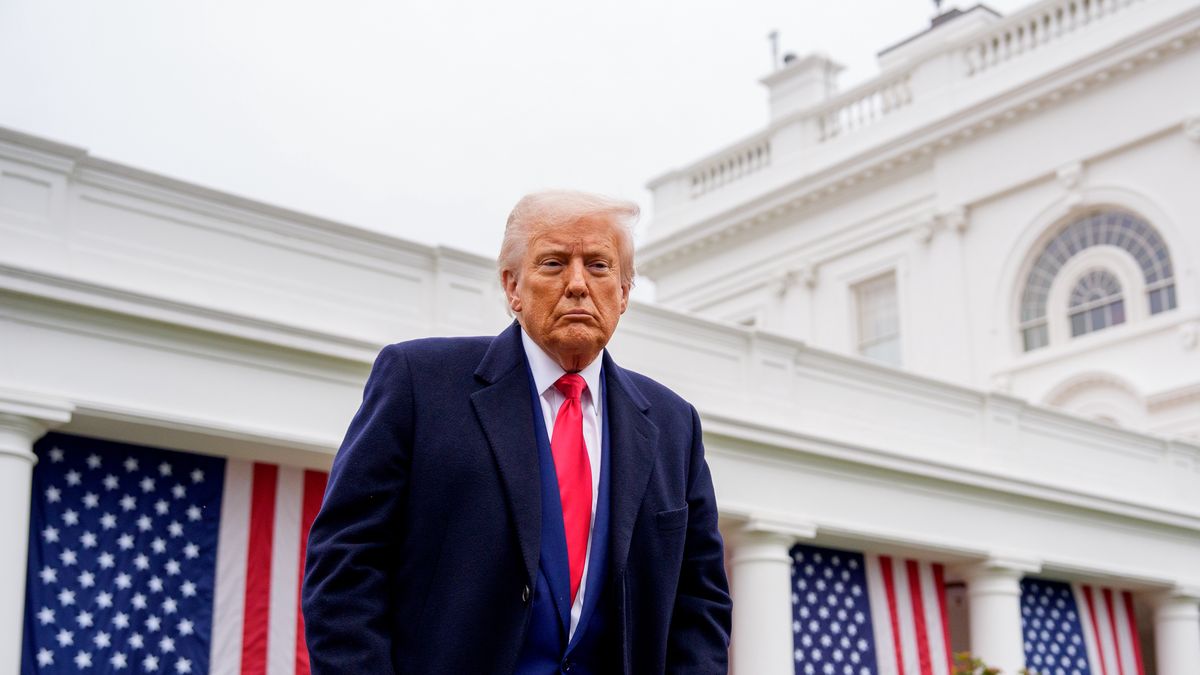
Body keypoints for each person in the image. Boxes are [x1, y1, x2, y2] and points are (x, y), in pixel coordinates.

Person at [301, 190, 732, 674]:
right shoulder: (418, 383)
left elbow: (700, 606)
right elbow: (345, 569)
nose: (577, 284)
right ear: (512, 287)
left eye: (598, 265)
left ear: (625, 292)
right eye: (552, 263)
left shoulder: (675, 425)